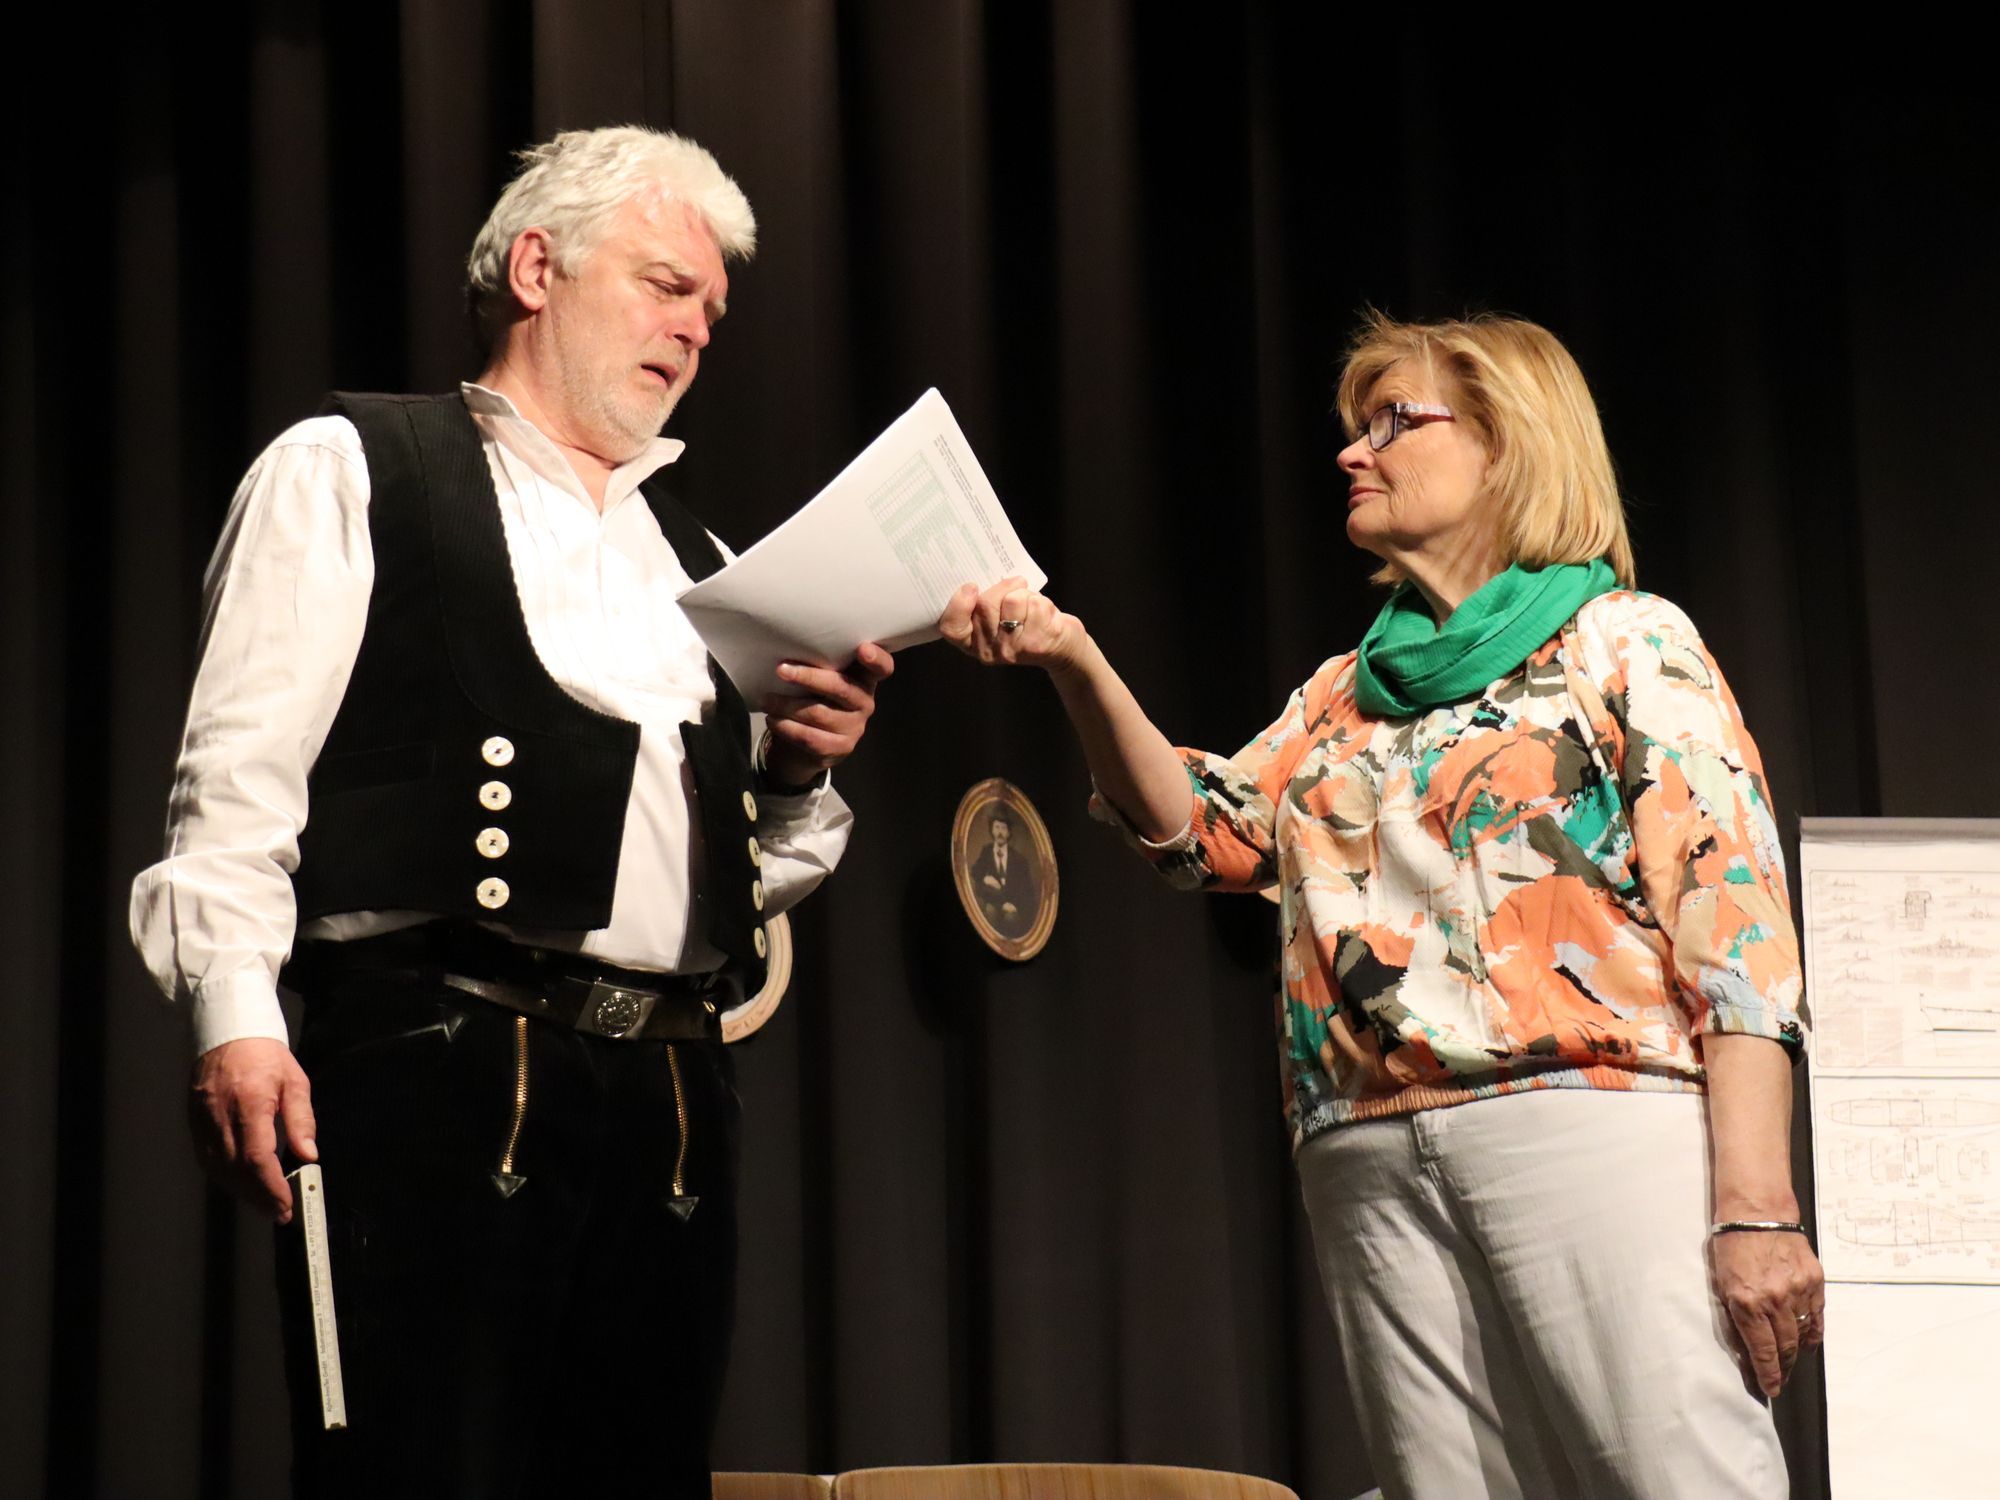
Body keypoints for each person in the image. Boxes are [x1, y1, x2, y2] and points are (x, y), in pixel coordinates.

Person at [130, 125, 893, 1498]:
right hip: (435, 1063)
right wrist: (235, 1015)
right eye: (666, 286)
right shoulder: (355, 467)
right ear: (537, 269)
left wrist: (792, 777)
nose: (695, 330)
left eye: (712, 311)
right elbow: (236, 776)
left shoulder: (701, 562)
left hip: (671, 1101)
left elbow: (733, 880)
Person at [940, 313, 1822, 1500]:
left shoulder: (1623, 642)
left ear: (1507, 443)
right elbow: (1201, 833)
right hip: (1362, 1146)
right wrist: (1072, 657)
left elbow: (1735, 935)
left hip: (1580, 1122)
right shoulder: (1342, 694)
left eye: (1394, 421)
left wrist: (1756, 1211)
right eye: (1357, 427)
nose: (1353, 452)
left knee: (1673, 1478)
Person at [968, 808, 1040, 939]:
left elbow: (1027, 891)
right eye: (997, 827)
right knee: (990, 911)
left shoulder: (1019, 859)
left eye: (1003, 828)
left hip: (1012, 905)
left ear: (1008, 833)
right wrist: (985, 879)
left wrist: (1015, 906)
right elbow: (975, 872)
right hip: (993, 901)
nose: (1000, 832)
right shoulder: (987, 851)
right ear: (992, 830)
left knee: (1011, 919)